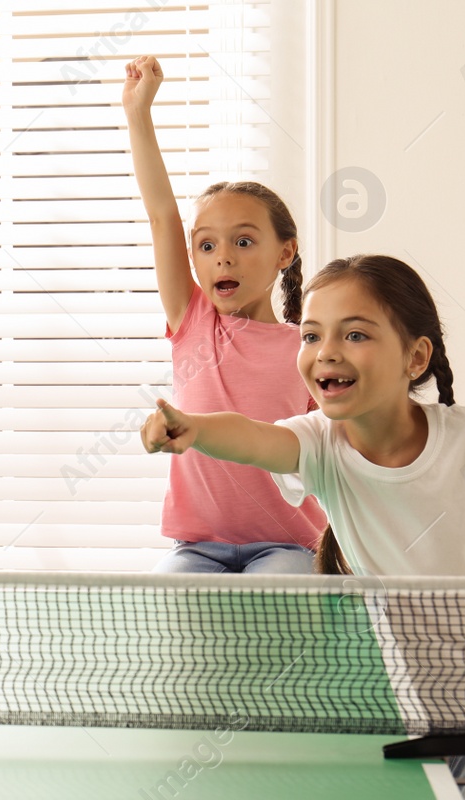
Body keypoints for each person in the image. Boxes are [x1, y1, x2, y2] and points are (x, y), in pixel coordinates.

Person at [143, 254, 465, 798]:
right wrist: (193, 427)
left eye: (355, 334)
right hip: (420, 701)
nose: (326, 352)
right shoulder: (319, 444)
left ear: (415, 357)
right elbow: (251, 436)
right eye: (311, 335)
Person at [122, 55, 328, 573]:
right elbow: (163, 216)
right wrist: (138, 114)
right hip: (197, 549)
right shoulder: (192, 321)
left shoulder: (307, 346)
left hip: (288, 548)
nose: (224, 258)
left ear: (285, 253)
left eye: (242, 241)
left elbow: (329, 449)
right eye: (207, 246)